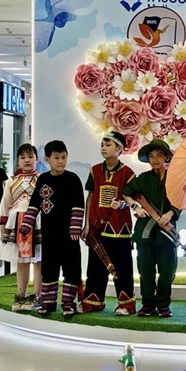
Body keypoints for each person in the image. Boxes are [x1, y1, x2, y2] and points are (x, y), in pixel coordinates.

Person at [20, 140, 84, 317]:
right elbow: (35, 203)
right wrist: (27, 223)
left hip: (69, 236)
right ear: (47, 159)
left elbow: (79, 205)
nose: (61, 161)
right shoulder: (43, 179)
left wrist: (75, 227)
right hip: (49, 234)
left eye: (64, 157)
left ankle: (68, 303)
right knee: (49, 269)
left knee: (71, 269)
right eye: (57, 158)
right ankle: (48, 303)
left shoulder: (73, 179)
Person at [123, 139, 181, 318]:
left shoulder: (175, 178)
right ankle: (147, 304)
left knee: (167, 270)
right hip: (144, 231)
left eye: (159, 155)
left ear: (166, 158)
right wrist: (135, 207)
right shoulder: (142, 178)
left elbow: (180, 201)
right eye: (151, 156)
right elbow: (126, 193)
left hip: (166, 232)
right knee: (145, 270)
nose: (155, 159)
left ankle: (163, 305)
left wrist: (170, 214)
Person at [80, 131, 136, 316]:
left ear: (119, 148)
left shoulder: (128, 173)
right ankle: (93, 301)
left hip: (120, 227)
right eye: (102, 145)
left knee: (122, 267)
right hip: (97, 227)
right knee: (96, 266)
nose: (103, 148)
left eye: (108, 144)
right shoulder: (94, 171)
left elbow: (132, 198)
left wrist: (122, 204)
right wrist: (87, 224)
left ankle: (126, 304)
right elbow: (90, 197)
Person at [0, 144, 42, 312]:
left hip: (38, 223)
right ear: (18, 161)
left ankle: (37, 296)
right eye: (22, 157)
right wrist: (2, 229)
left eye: (30, 156)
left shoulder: (42, 179)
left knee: (39, 261)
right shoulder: (11, 182)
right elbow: (5, 206)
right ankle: (21, 296)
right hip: (17, 224)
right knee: (22, 262)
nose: (27, 160)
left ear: (37, 159)